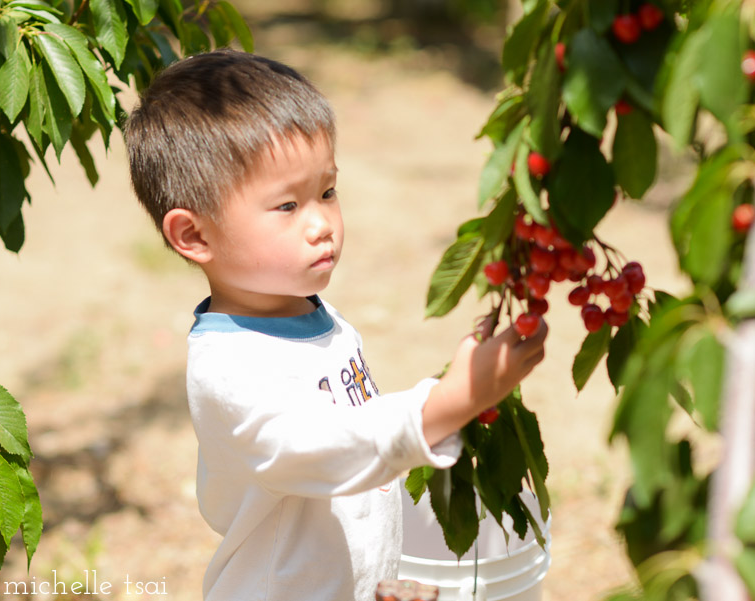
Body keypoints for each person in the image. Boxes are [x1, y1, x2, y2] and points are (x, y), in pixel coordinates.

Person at [123, 49, 547, 601]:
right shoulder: (228, 369)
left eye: (327, 191)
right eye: (286, 206)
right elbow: (323, 449)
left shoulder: (320, 319)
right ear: (195, 237)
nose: (322, 223)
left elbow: (352, 485)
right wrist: (446, 404)